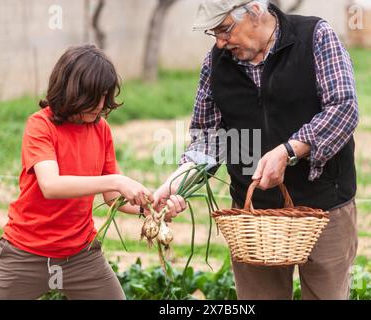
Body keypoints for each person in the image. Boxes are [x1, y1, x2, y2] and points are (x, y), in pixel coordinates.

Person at [153, 0, 359, 300]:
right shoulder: (215, 64)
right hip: (253, 216)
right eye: (214, 34)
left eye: (224, 29)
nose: (221, 42)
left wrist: (287, 152)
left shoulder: (315, 36)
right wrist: (177, 184)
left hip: (324, 207)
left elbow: (344, 108)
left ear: (254, 11)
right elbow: (208, 137)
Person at [0, 45, 182, 300]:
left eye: (104, 96)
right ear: (71, 91)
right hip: (25, 252)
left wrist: (155, 209)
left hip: (80, 255)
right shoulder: (40, 125)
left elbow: (112, 198)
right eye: (93, 96)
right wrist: (117, 180)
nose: (100, 105)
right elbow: (51, 185)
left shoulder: (101, 130)